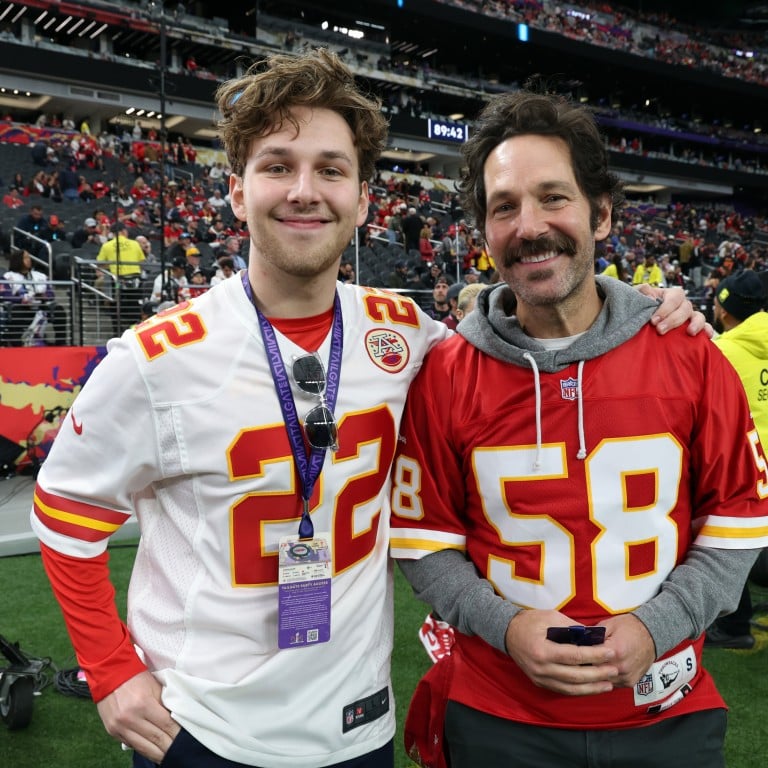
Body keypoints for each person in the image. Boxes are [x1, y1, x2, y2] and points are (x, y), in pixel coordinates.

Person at [32, 51, 702, 768]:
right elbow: (65, 514)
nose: (304, 190)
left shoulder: (410, 336)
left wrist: (641, 309)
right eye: (277, 166)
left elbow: (530, 332)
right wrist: (111, 672)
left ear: (361, 196)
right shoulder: (154, 360)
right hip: (204, 727)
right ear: (235, 192)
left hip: (359, 725)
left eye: (330, 169)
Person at [390, 89, 767, 768]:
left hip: (666, 706)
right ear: (483, 234)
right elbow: (424, 545)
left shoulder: (688, 351)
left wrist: (658, 627)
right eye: (504, 206)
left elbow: (739, 521)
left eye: (553, 197)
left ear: (601, 213)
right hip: (499, 712)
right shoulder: (444, 372)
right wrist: (505, 626)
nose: (529, 225)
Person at [704, 270, 768, 650]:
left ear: (725, 309)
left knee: (723, 528)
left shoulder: (722, 353)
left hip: (752, 475)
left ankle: (734, 626)